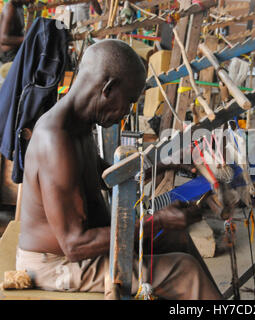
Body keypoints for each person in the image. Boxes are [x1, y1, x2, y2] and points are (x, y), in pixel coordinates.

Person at [16, 39, 222, 300]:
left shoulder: (78, 124)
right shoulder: (56, 140)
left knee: (178, 239)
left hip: (78, 252)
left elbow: (104, 175)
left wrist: (164, 163)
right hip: (56, 265)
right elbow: (75, 245)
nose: (125, 112)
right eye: (128, 101)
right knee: (185, 271)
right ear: (108, 88)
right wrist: (157, 220)